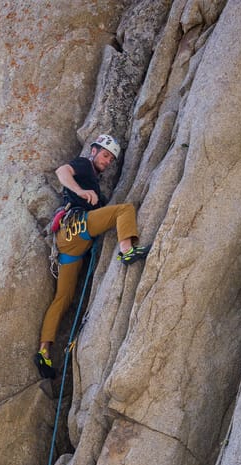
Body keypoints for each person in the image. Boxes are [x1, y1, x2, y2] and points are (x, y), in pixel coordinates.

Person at [35, 134, 149, 379]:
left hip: (70, 246)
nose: (107, 161)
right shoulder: (83, 164)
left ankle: (44, 352)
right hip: (75, 226)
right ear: (94, 150)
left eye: (111, 160)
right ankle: (127, 251)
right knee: (125, 210)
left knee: (63, 298)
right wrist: (81, 190)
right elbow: (61, 172)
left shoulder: (95, 187)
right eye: (105, 155)